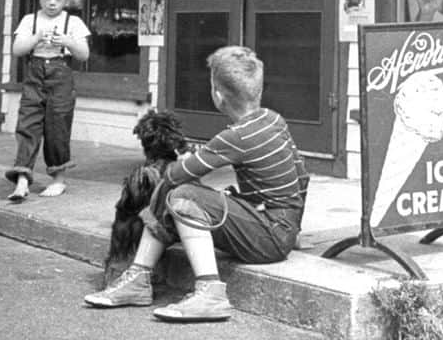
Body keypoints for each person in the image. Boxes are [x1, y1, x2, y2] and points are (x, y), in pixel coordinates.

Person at [84, 45, 309, 323]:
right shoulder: (273, 120)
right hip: (278, 228)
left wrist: (187, 163)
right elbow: (303, 177)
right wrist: (294, 229)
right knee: (186, 193)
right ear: (259, 89)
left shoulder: (235, 136)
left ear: (217, 94)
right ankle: (139, 277)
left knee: (181, 193)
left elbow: (174, 176)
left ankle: (207, 292)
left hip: (268, 237)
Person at [4, 0, 91, 203]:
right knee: (28, 123)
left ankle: (59, 179)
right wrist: (36, 37)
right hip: (35, 75)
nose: (52, 3)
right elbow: (17, 49)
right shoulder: (30, 20)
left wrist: (68, 41)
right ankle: (22, 177)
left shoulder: (72, 22)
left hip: (60, 74)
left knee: (57, 126)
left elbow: (84, 54)